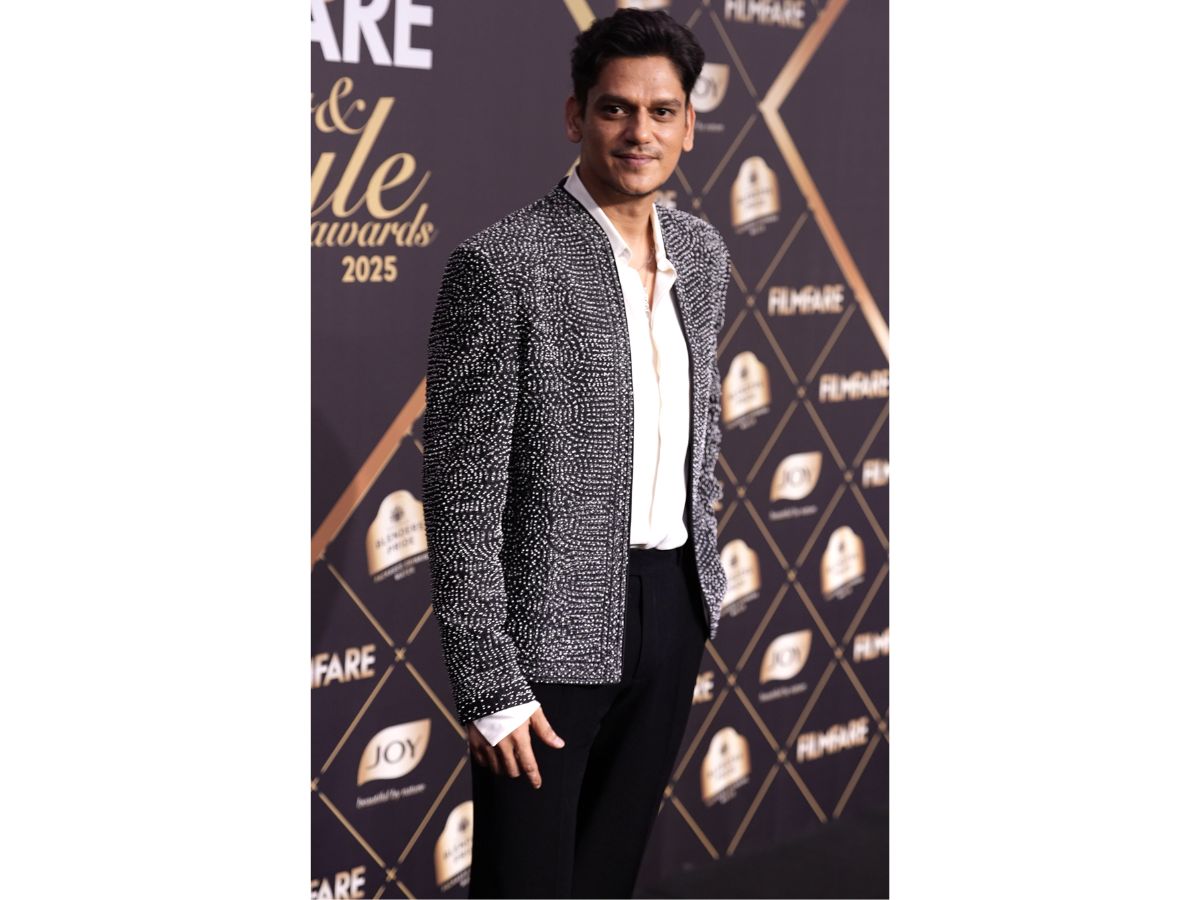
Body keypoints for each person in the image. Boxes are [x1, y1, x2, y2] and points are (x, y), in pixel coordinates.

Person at [421, 8, 730, 898]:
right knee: (526, 884)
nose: (640, 133)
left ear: (689, 125)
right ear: (575, 117)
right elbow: (462, 491)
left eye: (662, 112)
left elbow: (699, 431)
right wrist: (487, 680)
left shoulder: (703, 253)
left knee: (606, 878)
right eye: (615, 109)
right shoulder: (502, 263)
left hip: (672, 605)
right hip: (546, 630)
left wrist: (696, 593)